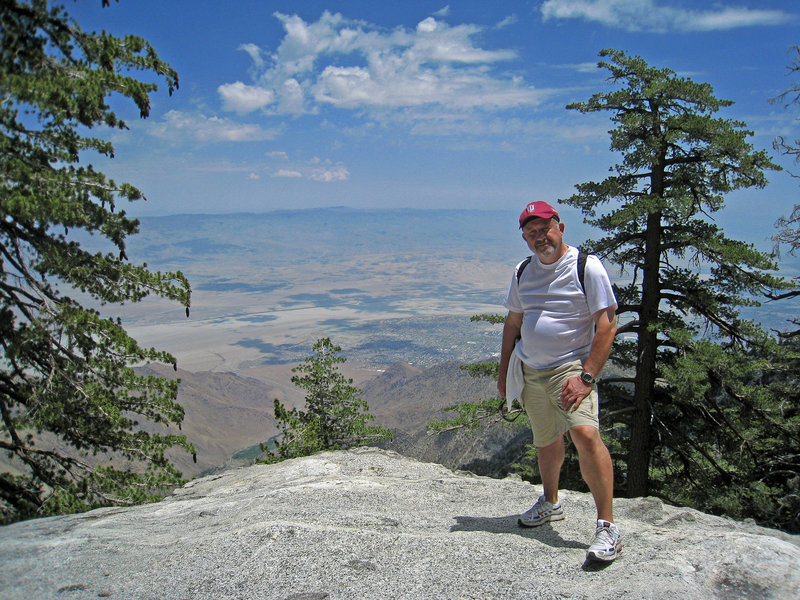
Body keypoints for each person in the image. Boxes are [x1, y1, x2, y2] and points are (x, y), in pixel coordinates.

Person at [497, 200, 621, 563]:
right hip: (531, 370)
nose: (540, 238)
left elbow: (607, 324)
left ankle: (608, 526)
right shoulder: (523, 271)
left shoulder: (586, 267)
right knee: (546, 439)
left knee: (584, 433)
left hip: (571, 368)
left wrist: (587, 377)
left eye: (545, 229)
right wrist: (504, 372)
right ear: (524, 238)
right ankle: (550, 502)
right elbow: (513, 323)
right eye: (531, 233)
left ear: (560, 227)